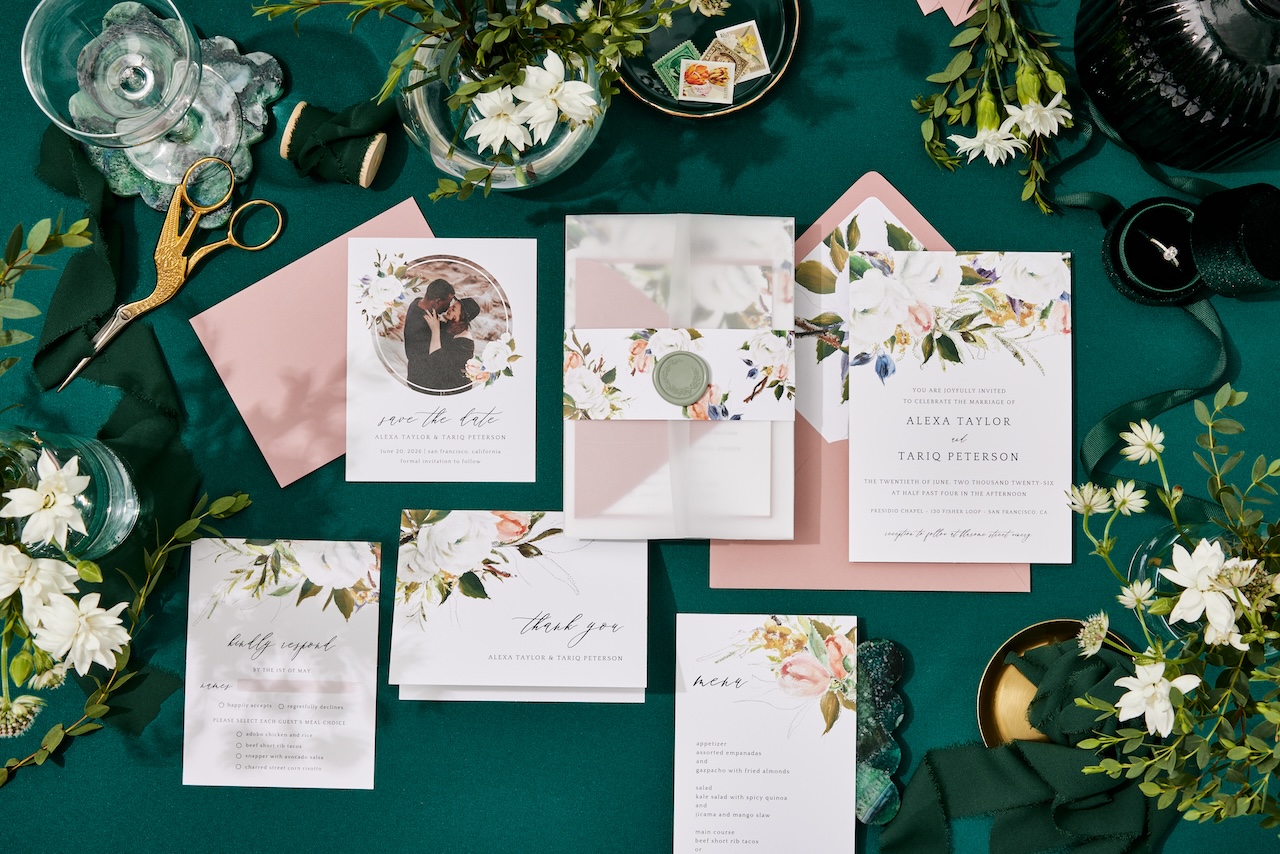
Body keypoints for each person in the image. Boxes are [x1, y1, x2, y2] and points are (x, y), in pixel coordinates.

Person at [404, 279, 455, 390]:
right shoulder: (422, 324)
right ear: (437, 301)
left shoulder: (416, 303)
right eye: (448, 302)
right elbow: (434, 358)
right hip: (423, 383)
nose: (449, 307)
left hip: (413, 375)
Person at [421, 297, 481, 392]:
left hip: (455, 390)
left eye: (453, 309)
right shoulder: (448, 327)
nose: (449, 309)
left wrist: (435, 331)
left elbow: (437, 362)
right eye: (451, 306)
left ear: (461, 316)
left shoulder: (465, 343)